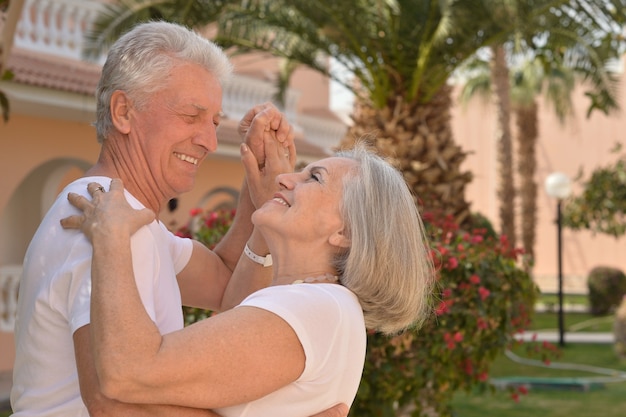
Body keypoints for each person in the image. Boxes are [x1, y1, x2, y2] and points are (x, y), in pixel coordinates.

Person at [11, 20, 345, 417]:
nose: (209, 140)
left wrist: (260, 202)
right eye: (191, 116)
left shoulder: (128, 221)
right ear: (123, 112)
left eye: (215, 122)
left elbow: (225, 283)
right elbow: (111, 401)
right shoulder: (102, 219)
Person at [60, 143, 436, 417]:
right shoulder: (319, 306)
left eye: (313, 178)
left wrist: (111, 237)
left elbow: (128, 377)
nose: (286, 178)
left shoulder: (313, 308)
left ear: (345, 231)